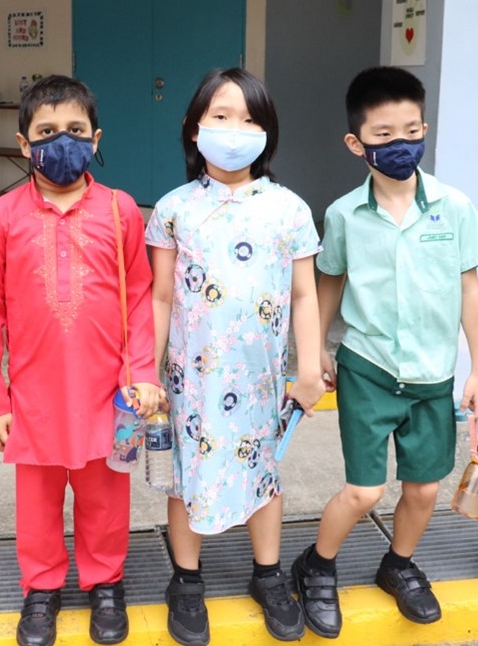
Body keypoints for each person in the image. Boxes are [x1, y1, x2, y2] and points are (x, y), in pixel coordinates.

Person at [292, 66, 478, 638]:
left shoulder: (453, 206)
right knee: (364, 490)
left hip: (433, 374)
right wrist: (318, 351)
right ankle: (317, 565)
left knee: (425, 487)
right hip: (368, 367)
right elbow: (327, 282)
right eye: (384, 135)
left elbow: (469, 288)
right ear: (357, 144)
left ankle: (398, 565)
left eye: (410, 131)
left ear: (425, 129)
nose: (400, 144)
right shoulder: (341, 214)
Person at [0, 75, 163, 646]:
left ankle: (106, 584)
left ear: (95, 137)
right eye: (47, 132)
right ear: (24, 144)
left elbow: (140, 297)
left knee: (105, 496)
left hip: (110, 391)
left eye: (75, 131)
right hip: (34, 396)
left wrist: (142, 374)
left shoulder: (122, 209)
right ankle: (42, 590)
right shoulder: (1, 218)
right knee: (37, 502)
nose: (62, 142)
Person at [146, 68, 325, 645]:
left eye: (249, 119)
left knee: (263, 473)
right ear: (193, 129)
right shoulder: (173, 209)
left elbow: (304, 295)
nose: (234, 129)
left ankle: (268, 576)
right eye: (220, 116)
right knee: (186, 476)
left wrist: (310, 367)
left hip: (260, 380)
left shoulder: (290, 209)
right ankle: (186, 580)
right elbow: (162, 295)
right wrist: (145, 371)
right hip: (190, 378)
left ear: (267, 133)